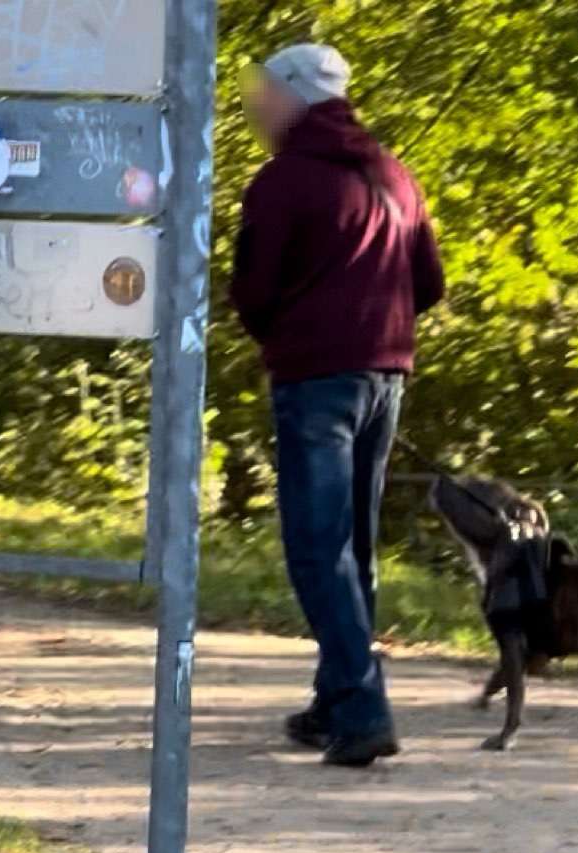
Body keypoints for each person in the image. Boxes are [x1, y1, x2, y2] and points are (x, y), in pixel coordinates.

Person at [230, 43, 445, 767]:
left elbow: (252, 292)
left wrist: (294, 334)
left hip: (316, 380)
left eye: (264, 93)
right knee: (353, 546)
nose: (256, 105)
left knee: (319, 550)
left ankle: (362, 711)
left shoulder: (284, 182)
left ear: (295, 97)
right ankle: (334, 700)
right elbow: (431, 283)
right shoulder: (395, 176)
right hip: (386, 377)